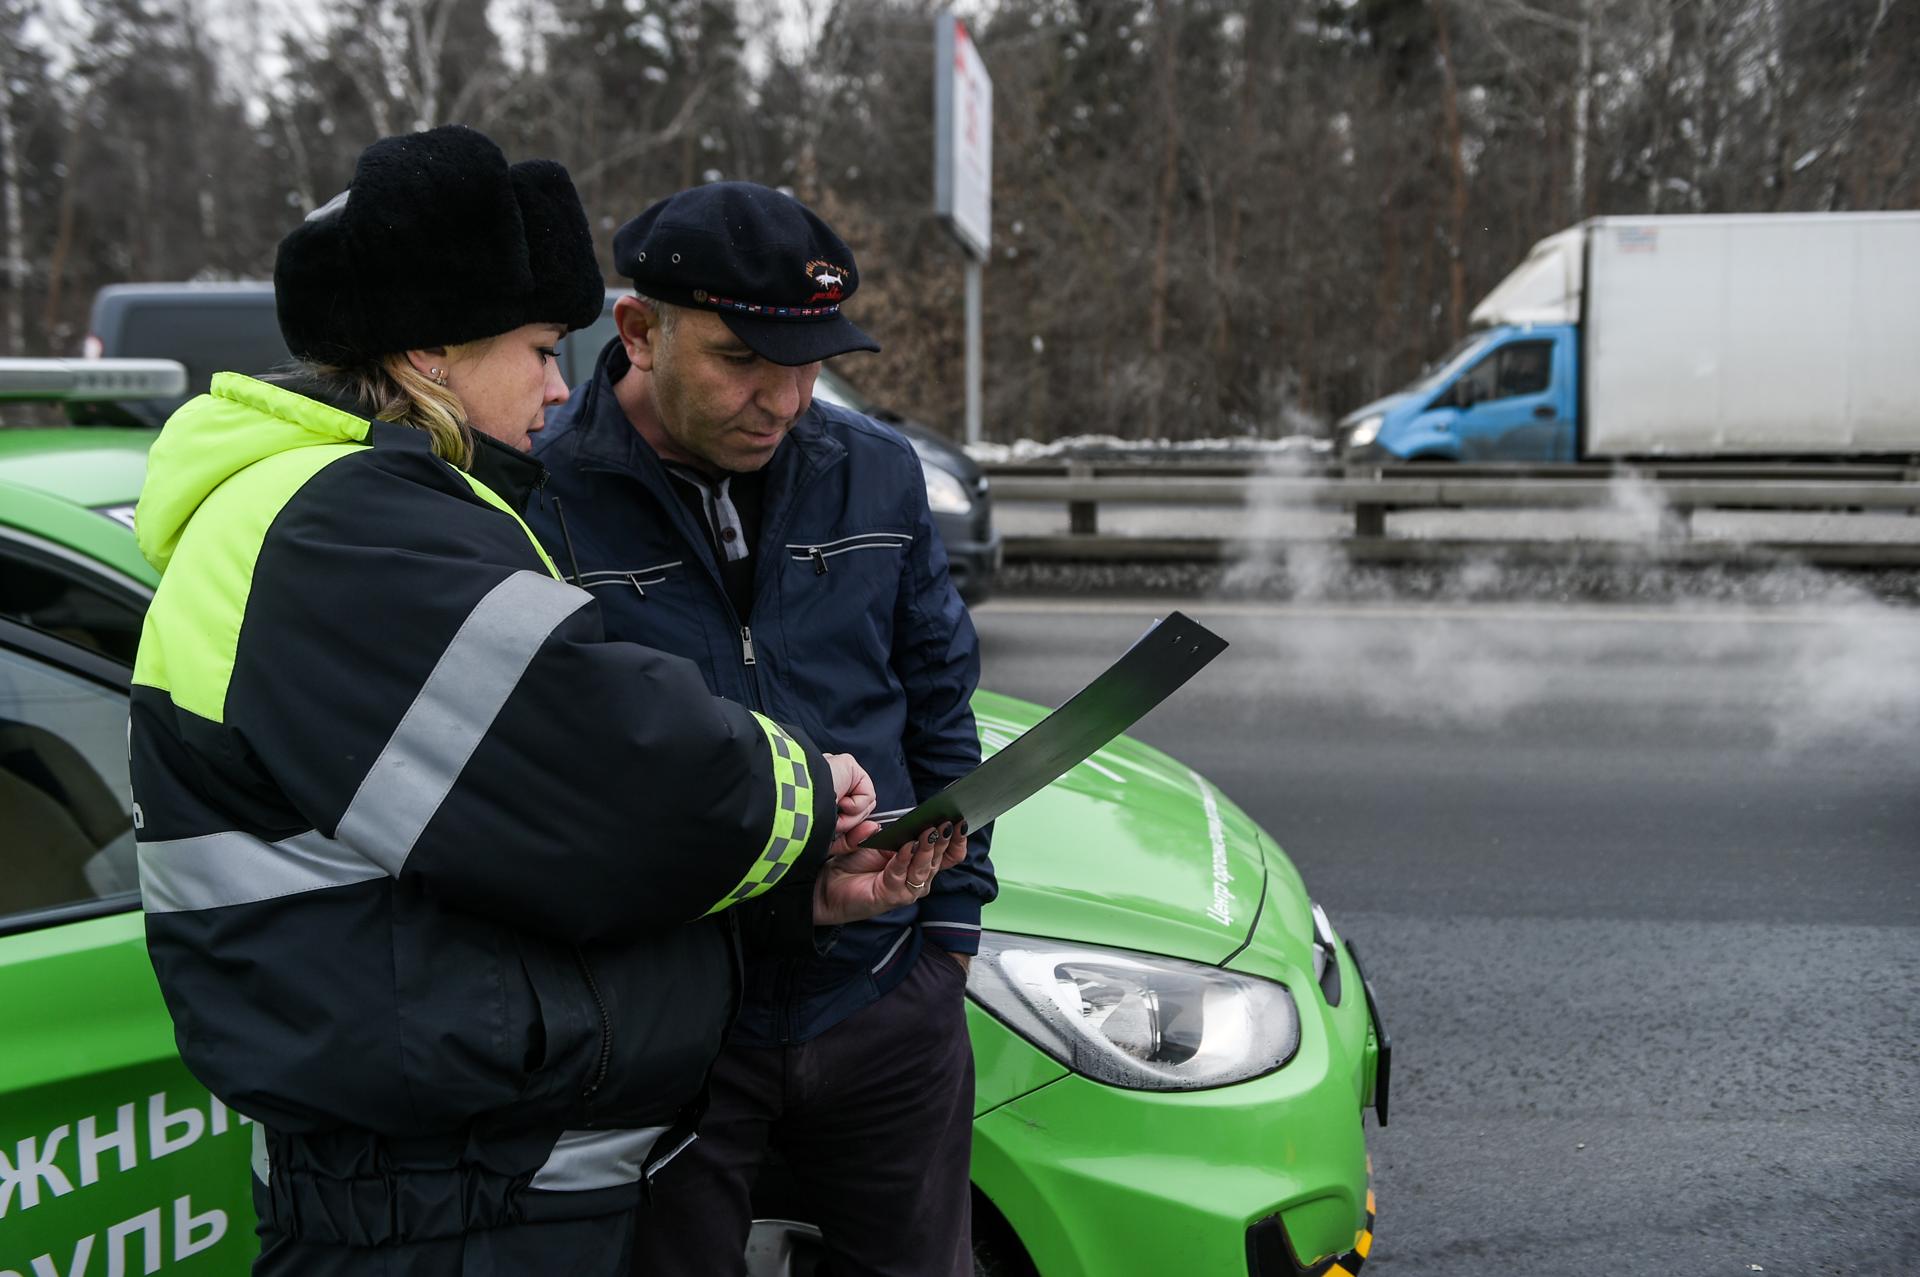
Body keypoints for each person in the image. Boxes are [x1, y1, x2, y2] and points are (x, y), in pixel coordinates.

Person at [128, 126, 960, 1277]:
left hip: (463, 1181)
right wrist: (809, 793)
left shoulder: (352, 511)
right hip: (446, 1206)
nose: (557, 386)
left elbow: (508, 849)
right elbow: (613, 779)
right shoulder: (343, 528)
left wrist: (806, 902)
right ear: (429, 348)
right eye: (532, 347)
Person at [528, 182, 995, 1277]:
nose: (783, 400)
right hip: (678, 1017)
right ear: (638, 330)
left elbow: (940, 703)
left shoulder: (874, 473)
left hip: (884, 994)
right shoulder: (541, 497)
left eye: (810, 364)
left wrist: (951, 943)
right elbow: (556, 780)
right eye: (743, 359)